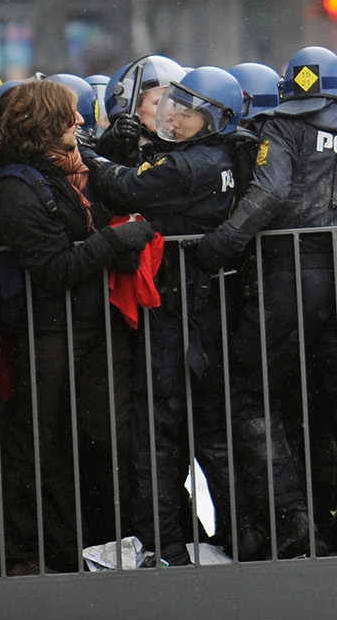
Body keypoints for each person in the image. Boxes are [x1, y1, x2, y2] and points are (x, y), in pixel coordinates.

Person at [193, 46, 337, 557]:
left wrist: (220, 244)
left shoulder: (283, 127)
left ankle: (292, 521)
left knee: (250, 394)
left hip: (288, 279)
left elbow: (270, 193)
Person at [85, 66, 249, 566]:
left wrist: (90, 153)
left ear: (215, 119)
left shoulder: (190, 166)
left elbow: (126, 187)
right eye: (175, 104)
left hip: (175, 311)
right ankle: (245, 536)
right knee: (205, 430)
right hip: (197, 309)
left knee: (157, 428)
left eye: (189, 111)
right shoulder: (220, 156)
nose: (174, 115)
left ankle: (166, 546)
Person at [0, 79, 155, 573]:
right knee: (39, 448)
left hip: (85, 328)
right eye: (70, 117)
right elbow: (55, 268)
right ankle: (27, 555)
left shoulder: (52, 173)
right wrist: (117, 238)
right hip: (47, 335)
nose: (82, 122)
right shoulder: (17, 188)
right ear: (44, 128)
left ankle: (106, 542)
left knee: (105, 441)